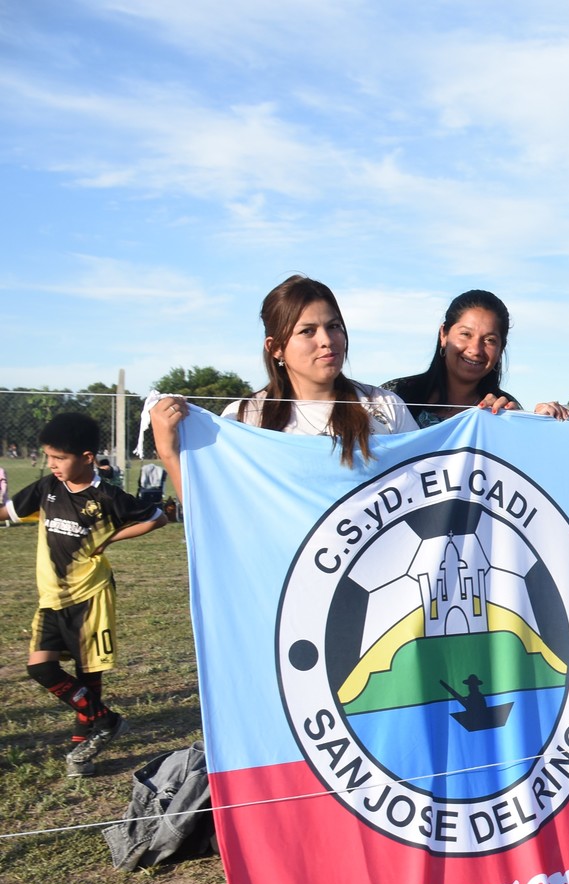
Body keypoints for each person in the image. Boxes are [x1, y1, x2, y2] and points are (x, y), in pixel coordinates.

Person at [151, 275, 419, 497]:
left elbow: (424, 487)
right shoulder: (244, 417)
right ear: (276, 347)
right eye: (308, 331)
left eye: (334, 326)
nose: (327, 340)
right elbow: (216, 511)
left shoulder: (383, 405)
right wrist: (169, 452)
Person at [5, 413, 166, 776]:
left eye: (59, 457)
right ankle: (107, 722)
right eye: (49, 457)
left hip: (91, 597)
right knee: (41, 668)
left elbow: (157, 517)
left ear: (87, 457)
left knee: (87, 674)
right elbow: (11, 511)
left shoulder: (107, 496)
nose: (52, 464)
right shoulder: (47, 487)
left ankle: (82, 751)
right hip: (51, 599)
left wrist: (111, 538)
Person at [383, 290, 517, 428]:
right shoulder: (394, 396)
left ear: (501, 348)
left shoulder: (505, 411)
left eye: (490, 340)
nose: (475, 350)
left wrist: (521, 426)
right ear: (443, 335)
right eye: (465, 334)